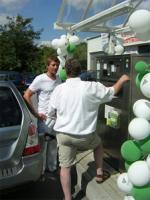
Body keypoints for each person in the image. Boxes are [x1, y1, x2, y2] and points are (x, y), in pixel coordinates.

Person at [47, 58, 130, 200]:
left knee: (65, 167)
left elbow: (51, 113)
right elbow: (112, 92)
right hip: (84, 137)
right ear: (81, 71)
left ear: (65, 72)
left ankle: (67, 198)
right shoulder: (92, 87)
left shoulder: (58, 89)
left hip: (64, 136)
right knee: (98, 145)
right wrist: (122, 80)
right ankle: (99, 174)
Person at [23, 56, 61, 173]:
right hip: (44, 118)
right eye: (53, 65)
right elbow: (26, 95)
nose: (55, 67)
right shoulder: (40, 78)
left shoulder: (58, 79)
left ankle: (52, 167)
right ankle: (41, 170)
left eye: (57, 65)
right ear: (47, 66)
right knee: (43, 146)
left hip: (56, 118)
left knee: (54, 144)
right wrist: (35, 113)